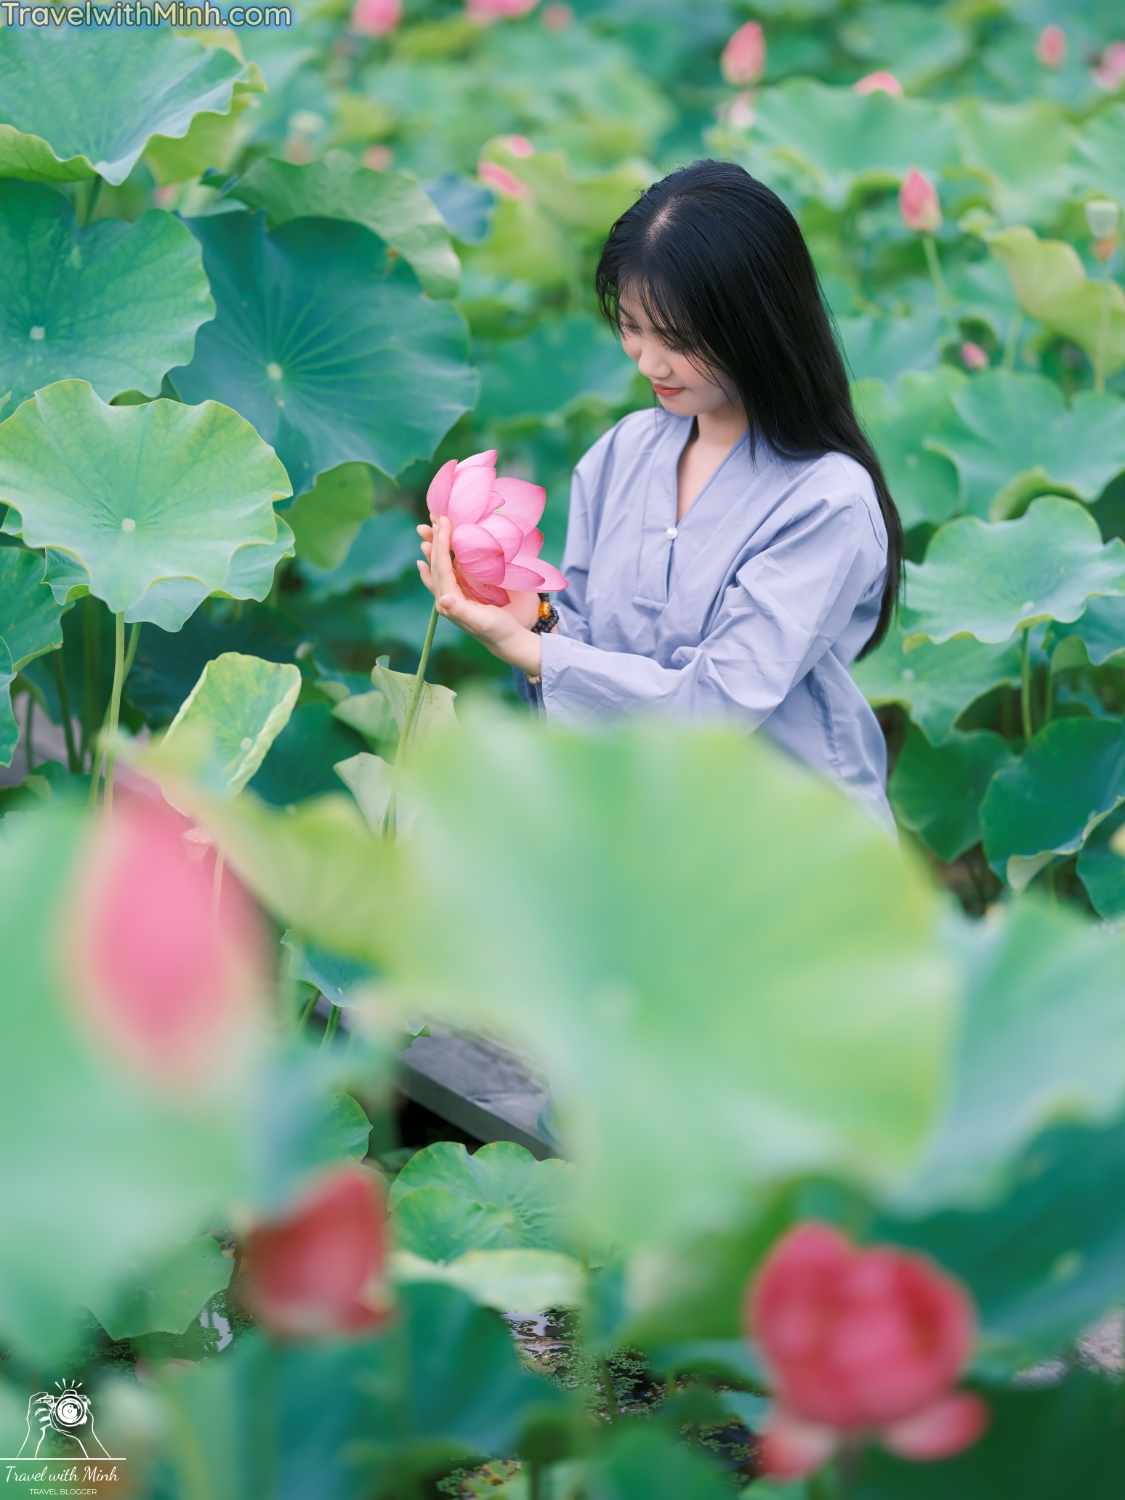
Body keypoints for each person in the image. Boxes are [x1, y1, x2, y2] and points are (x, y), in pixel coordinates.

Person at [418, 159, 903, 831]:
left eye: (676, 339)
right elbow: (576, 641)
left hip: (790, 852)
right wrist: (529, 616)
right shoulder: (620, 453)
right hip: (640, 835)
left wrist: (533, 652)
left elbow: (716, 704)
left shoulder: (827, 501)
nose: (648, 363)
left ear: (759, 324)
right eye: (630, 327)